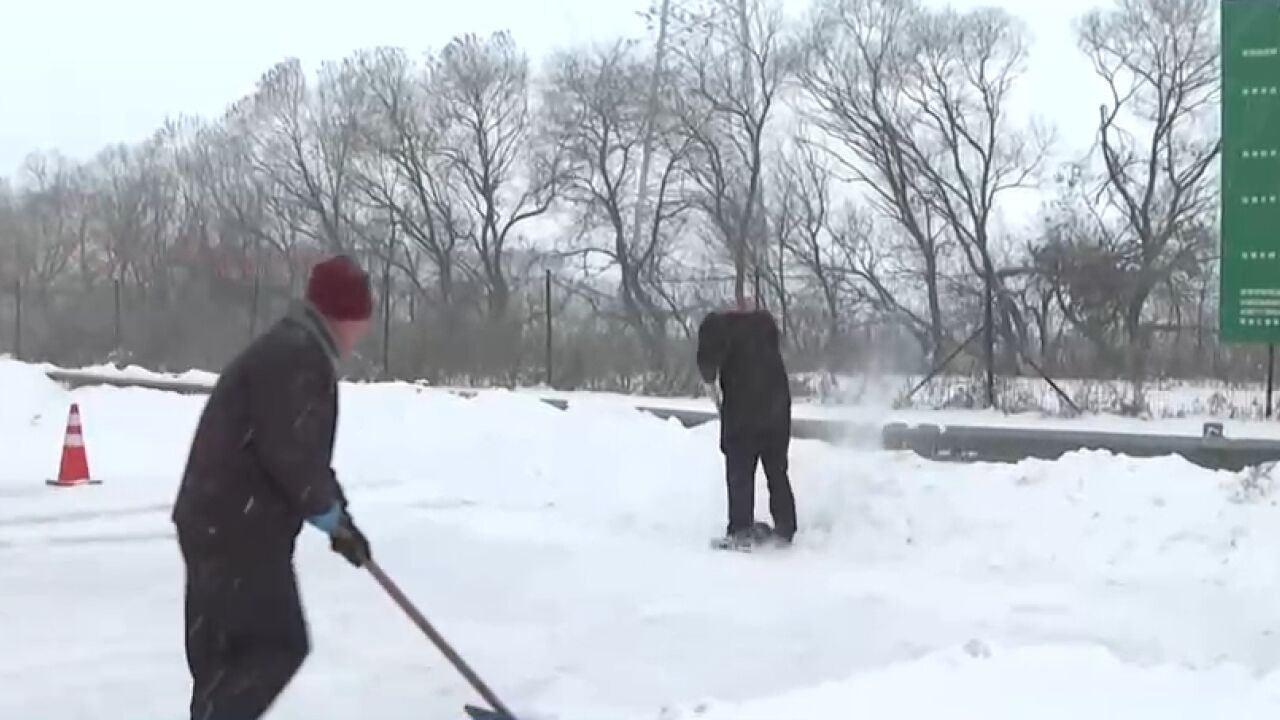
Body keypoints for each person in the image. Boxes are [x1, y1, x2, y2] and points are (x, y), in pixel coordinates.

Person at [171, 254, 375, 719]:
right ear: (343, 314)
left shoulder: (290, 349)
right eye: (360, 318)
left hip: (215, 521)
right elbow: (294, 456)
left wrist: (340, 517)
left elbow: (304, 457)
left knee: (223, 661)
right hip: (239, 529)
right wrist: (331, 519)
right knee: (277, 645)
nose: (361, 331)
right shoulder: (298, 357)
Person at [696, 296, 796, 548]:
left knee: (739, 470)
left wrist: (711, 388)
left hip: (744, 411)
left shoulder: (718, 326)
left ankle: (740, 530)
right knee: (777, 470)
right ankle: (785, 527)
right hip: (777, 409)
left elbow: (707, 363)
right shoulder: (765, 324)